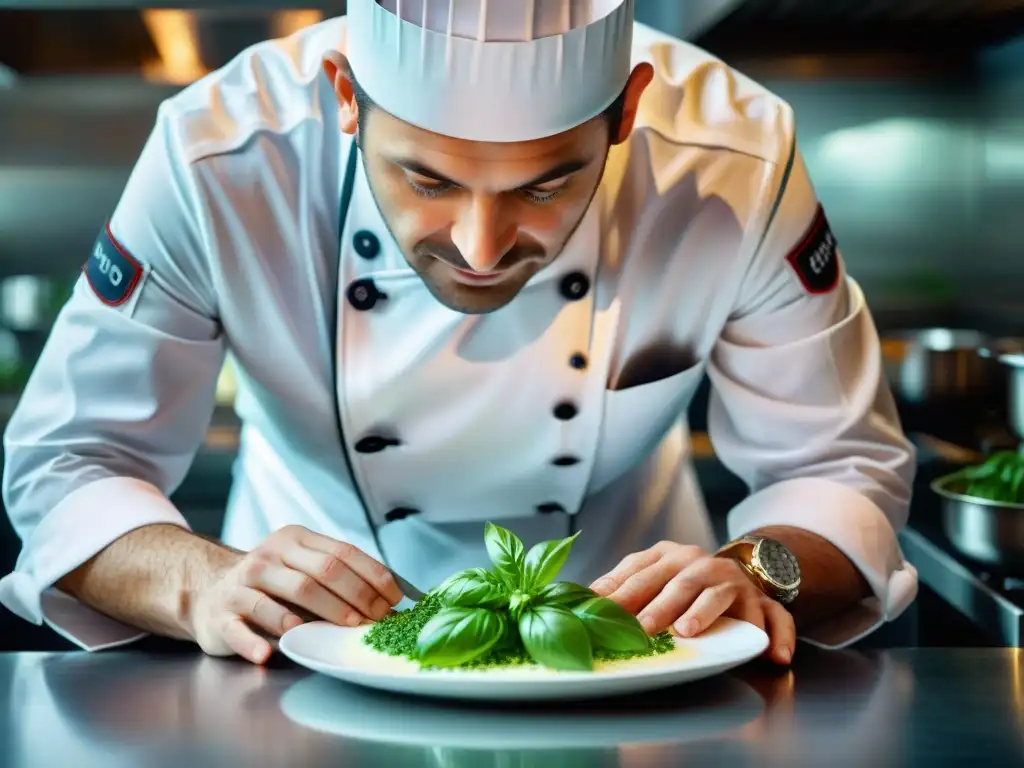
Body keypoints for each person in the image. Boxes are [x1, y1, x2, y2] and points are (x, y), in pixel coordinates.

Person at [0, 0, 917, 666]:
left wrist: (757, 570)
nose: (481, 249)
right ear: (346, 98)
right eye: (429, 181)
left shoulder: (738, 160)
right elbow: (69, 463)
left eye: (546, 185)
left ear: (626, 111)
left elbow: (838, 468)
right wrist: (205, 583)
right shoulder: (219, 153)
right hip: (295, 653)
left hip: (643, 661)